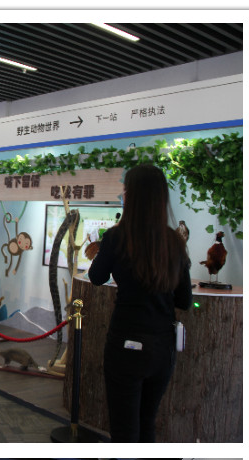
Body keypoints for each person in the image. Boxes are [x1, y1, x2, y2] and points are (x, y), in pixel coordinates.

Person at [88, 163, 192, 441]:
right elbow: (184, 300)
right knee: (147, 424)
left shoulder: (116, 237)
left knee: (124, 430)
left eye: (125, 190)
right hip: (163, 349)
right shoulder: (174, 242)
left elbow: (96, 277)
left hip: (126, 344)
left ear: (131, 196)